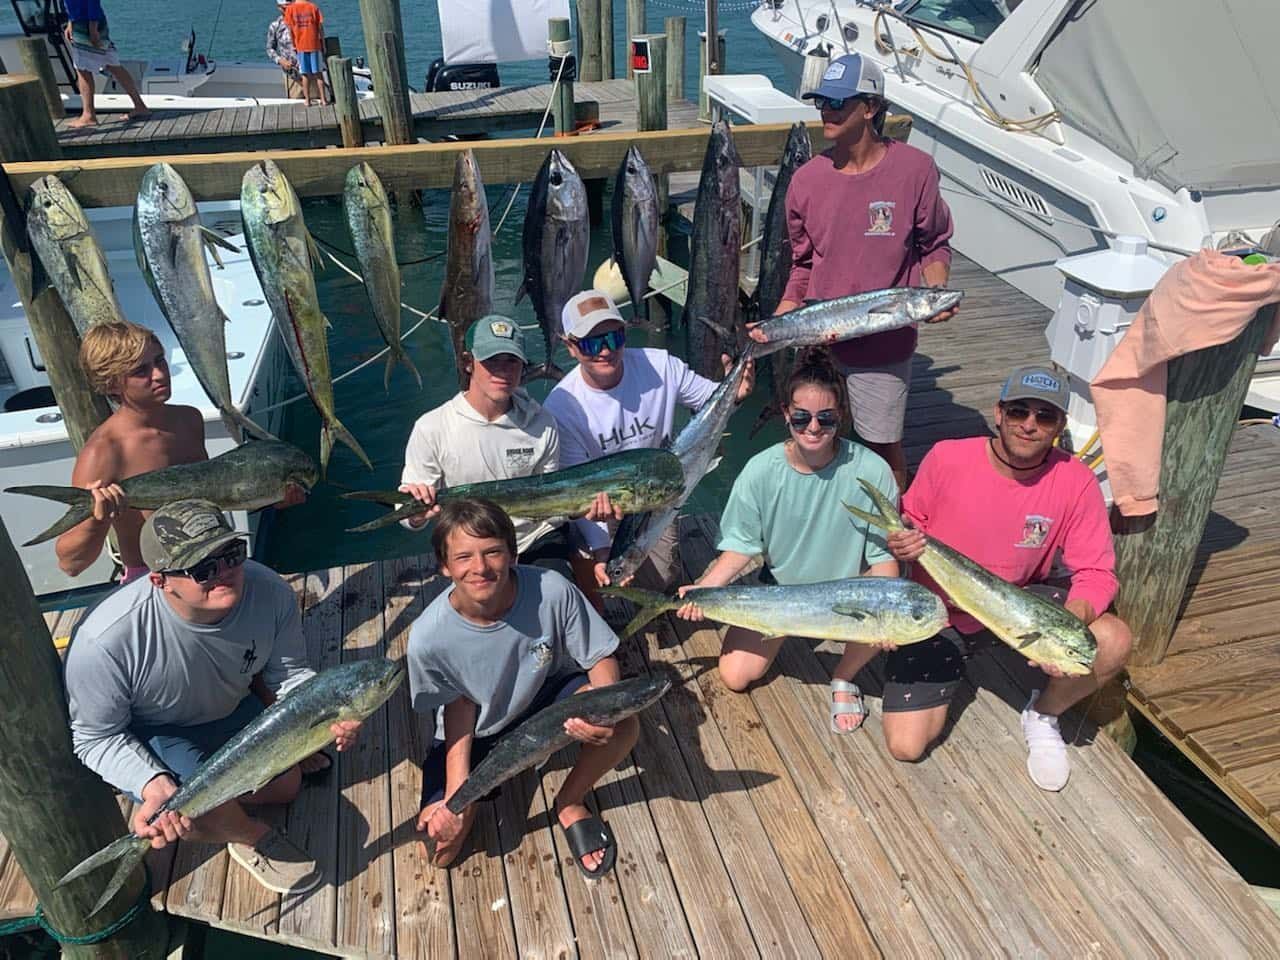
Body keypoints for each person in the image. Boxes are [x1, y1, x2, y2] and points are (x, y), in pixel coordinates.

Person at [65, 500, 363, 895]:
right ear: (160, 580)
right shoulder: (105, 641)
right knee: (188, 807)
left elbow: (289, 675)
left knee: (287, 787)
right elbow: (95, 737)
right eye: (202, 569)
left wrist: (323, 714)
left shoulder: (271, 591)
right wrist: (152, 783)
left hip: (229, 704)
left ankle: (220, 801)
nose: (223, 574)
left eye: (231, 555)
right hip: (155, 728)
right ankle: (248, 835)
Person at [883, 364, 1132, 790]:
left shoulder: (1075, 479)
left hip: (1019, 610)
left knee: (1112, 640)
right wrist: (898, 547)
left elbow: (1096, 572)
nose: (1030, 425)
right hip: (940, 612)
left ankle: (1044, 713)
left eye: (1045, 416)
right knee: (906, 745)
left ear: (1058, 427)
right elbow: (910, 521)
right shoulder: (946, 457)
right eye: (1019, 411)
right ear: (998, 413)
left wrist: (1065, 623)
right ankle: (950, 663)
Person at [409, 498, 638, 878]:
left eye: (493, 552)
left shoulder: (552, 589)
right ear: (444, 566)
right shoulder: (427, 638)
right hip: (479, 726)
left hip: (545, 694)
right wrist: (456, 796)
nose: (480, 567)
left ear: (513, 553)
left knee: (624, 723)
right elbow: (458, 707)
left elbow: (600, 655)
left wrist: (603, 713)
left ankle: (570, 801)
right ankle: (474, 797)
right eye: (464, 557)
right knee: (439, 853)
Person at [674, 350, 899, 733]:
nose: (813, 427)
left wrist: (888, 613)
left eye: (825, 417)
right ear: (785, 413)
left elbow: (883, 557)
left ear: (840, 416)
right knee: (735, 675)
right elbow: (741, 547)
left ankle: (843, 676)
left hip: (848, 590)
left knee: (885, 607)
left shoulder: (872, 470)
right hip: (781, 589)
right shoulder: (761, 470)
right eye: (801, 416)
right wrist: (705, 588)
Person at [766, 52, 956, 491]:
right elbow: (803, 266)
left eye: (837, 103)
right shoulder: (807, 180)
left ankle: (890, 532)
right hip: (816, 345)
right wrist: (776, 323)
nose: (825, 113)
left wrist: (936, 290)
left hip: (884, 346)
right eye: (821, 103)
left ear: (869, 107)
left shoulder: (914, 170)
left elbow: (933, 244)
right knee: (811, 443)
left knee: (882, 447)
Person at [540, 290, 754, 604]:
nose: (605, 351)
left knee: (662, 577)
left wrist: (737, 391)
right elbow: (578, 492)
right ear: (570, 346)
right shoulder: (561, 406)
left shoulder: (660, 365)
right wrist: (601, 549)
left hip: (658, 494)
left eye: (613, 338)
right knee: (596, 579)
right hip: (599, 502)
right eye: (591, 343)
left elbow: (713, 401)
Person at [55, 321, 304, 584]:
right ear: (111, 384)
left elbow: (211, 499)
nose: (160, 374)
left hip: (218, 565)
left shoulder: (189, 419)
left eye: (160, 360)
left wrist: (272, 497)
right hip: (156, 580)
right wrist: (98, 518)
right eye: (141, 371)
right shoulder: (103, 452)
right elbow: (70, 564)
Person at [397, 316, 572, 577]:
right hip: (472, 546)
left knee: (558, 598)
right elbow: (406, 514)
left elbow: (554, 502)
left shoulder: (543, 423)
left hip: (534, 539)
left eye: (511, 361)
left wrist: (586, 512)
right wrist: (416, 514)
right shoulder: (431, 427)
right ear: (469, 363)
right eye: (492, 361)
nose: (503, 371)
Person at [62, 0, 152, 128]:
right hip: (88, 21)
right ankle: (140, 105)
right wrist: (71, 22)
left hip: (86, 24)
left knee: (82, 69)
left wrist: (92, 28)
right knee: (112, 64)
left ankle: (88, 115)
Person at [282, 0, 326, 106]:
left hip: (301, 46)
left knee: (305, 75)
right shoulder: (313, 7)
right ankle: (323, 100)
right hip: (314, 45)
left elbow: (291, 30)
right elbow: (320, 28)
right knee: (319, 74)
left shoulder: (290, 9)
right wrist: (323, 43)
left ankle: (307, 100)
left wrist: (294, 44)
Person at [266, 0, 304, 99]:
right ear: (279, 8)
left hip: (310, 71)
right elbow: (270, 49)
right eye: (285, 8)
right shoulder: (275, 26)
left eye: (291, 7)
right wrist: (280, 60)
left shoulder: (304, 21)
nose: (288, 10)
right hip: (292, 74)